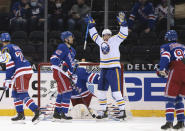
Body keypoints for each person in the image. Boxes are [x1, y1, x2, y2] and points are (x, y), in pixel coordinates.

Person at [85, 12, 128, 120]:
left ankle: (122, 110)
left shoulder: (115, 40)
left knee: (116, 92)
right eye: (104, 35)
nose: (106, 36)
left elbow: (124, 34)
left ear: (110, 35)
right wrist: (91, 25)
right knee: (101, 92)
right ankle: (103, 110)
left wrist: (123, 23)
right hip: (103, 69)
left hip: (114, 69)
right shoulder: (100, 41)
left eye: (108, 35)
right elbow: (94, 35)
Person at [0, 33, 40, 123]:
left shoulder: (5, 49)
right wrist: (9, 80)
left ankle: (36, 110)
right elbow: (14, 62)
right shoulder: (15, 46)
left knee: (22, 93)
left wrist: (7, 79)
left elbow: (10, 65)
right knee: (15, 92)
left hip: (22, 71)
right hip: (22, 70)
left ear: (1, 41)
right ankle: (20, 114)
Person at [156, 30, 185, 130]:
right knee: (178, 98)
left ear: (167, 38)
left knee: (170, 98)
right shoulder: (183, 46)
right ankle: (181, 122)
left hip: (176, 70)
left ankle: (169, 122)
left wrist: (161, 69)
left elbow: (165, 58)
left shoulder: (166, 46)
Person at [50, 31, 77, 120]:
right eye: (70, 37)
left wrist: (72, 72)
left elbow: (70, 64)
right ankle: (64, 113)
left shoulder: (73, 50)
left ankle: (56, 112)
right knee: (67, 91)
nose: (72, 38)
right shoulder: (62, 46)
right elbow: (53, 58)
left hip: (65, 74)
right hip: (59, 72)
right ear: (65, 39)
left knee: (62, 92)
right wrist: (62, 64)